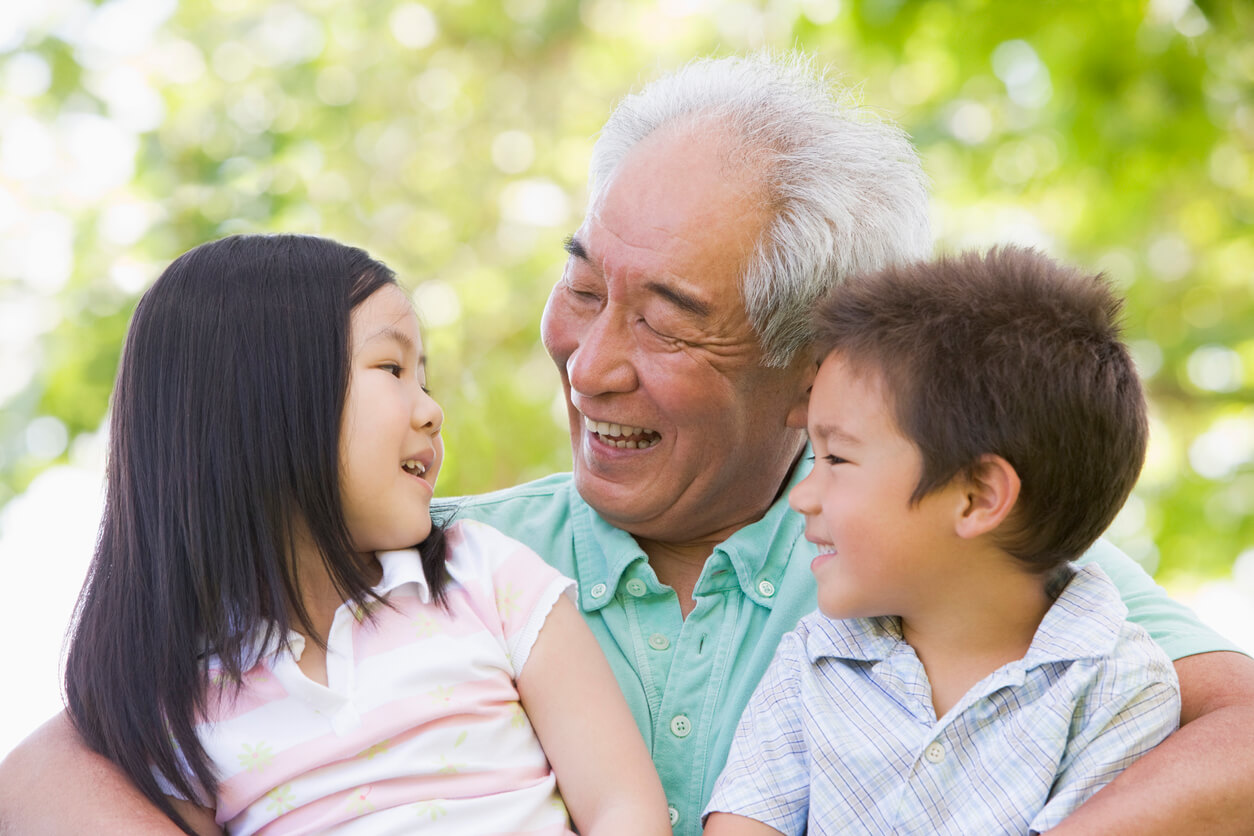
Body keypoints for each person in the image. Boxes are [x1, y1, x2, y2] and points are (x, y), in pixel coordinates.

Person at [3, 54, 1254, 836]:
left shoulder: (921, 549)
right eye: (585, 286)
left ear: (813, 372)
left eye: (665, 319)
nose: (590, 360)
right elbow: (63, 763)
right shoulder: (446, 561)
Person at [53, 234, 670, 835]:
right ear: (266, 404)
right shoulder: (174, 711)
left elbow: (622, 805)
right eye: (392, 368)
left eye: (422, 379)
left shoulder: (487, 577)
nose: (432, 411)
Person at [703, 247, 1181, 835]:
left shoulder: (1119, 690)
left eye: (837, 459)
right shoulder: (813, 659)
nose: (803, 496)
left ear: (977, 497)